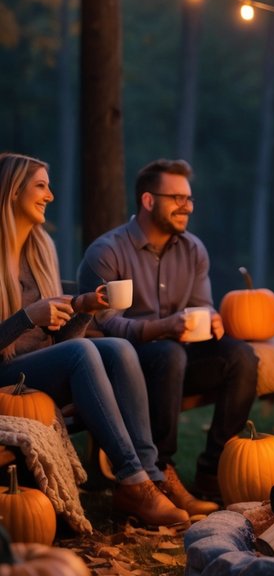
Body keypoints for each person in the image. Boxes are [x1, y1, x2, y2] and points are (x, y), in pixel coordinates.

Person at [0, 152, 188, 528]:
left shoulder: (41, 249)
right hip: (7, 376)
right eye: (41, 186)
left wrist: (83, 307)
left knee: (118, 348)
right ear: (13, 191)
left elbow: (62, 343)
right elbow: (68, 351)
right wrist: (28, 317)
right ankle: (132, 480)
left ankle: (148, 476)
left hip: (37, 371)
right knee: (84, 351)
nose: (50, 196)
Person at [78, 158, 258, 513]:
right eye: (177, 198)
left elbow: (200, 306)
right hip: (125, 364)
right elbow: (105, 324)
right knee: (168, 354)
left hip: (176, 361)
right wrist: (162, 328)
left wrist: (211, 320)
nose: (186, 206)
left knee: (242, 357)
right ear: (148, 200)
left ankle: (212, 470)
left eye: (189, 199)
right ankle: (159, 470)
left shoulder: (193, 250)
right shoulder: (107, 251)